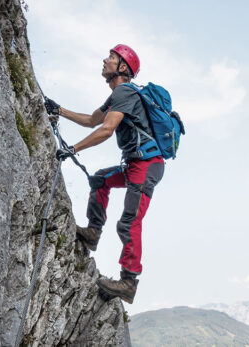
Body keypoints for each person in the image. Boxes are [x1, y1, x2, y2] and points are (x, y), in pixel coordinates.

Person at [44, 44, 164, 304]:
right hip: (136, 164)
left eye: (111, 57)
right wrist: (59, 110)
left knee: (129, 221)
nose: (104, 60)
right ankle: (93, 233)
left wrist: (72, 149)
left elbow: (107, 129)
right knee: (100, 179)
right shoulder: (118, 95)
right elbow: (92, 120)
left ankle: (128, 281)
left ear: (122, 67)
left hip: (147, 164)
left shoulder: (124, 92)